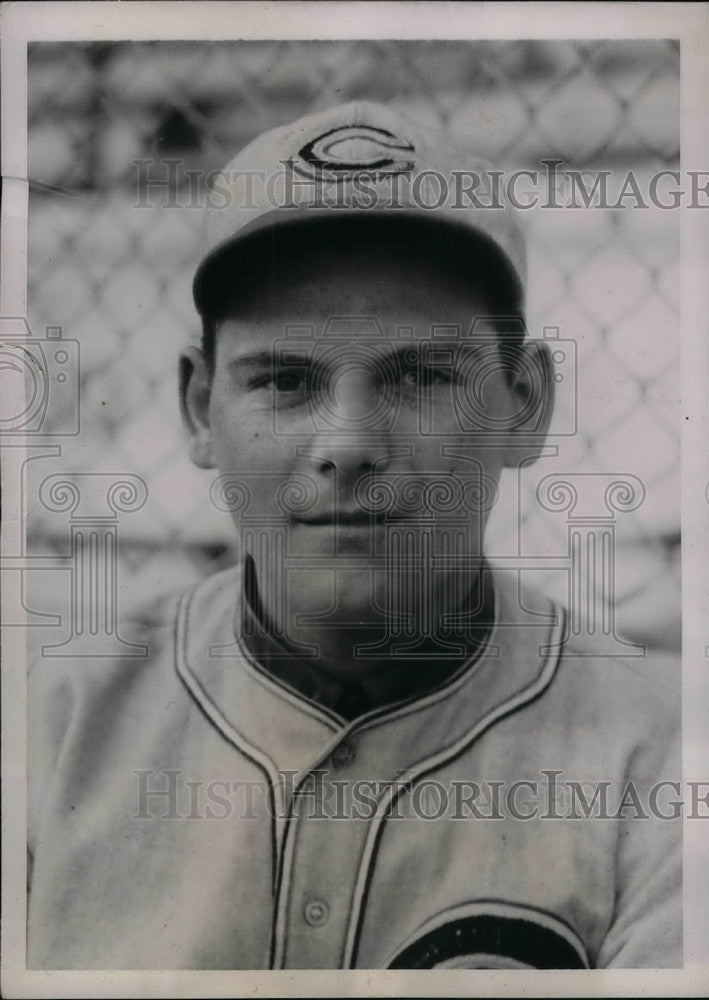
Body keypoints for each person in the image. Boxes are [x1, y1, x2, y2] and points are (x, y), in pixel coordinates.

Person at [27, 101, 680, 970]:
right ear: (198, 405)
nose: (346, 445)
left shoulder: (659, 757)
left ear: (524, 404)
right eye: (285, 381)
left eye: (417, 376)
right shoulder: (52, 723)